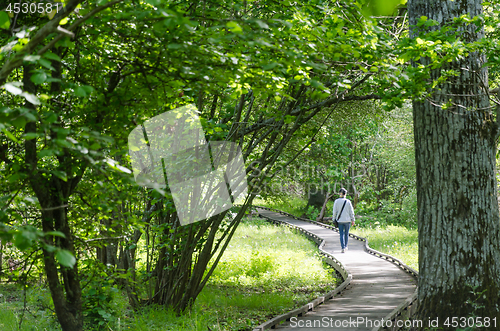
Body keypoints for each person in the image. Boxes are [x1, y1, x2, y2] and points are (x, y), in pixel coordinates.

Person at [332, 188, 355, 253]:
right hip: (347, 220)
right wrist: (353, 219)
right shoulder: (348, 201)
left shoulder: (336, 201)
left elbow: (334, 212)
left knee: (341, 234)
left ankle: (342, 247)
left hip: (340, 221)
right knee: (346, 234)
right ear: (345, 194)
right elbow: (351, 211)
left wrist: (334, 219)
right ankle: (345, 246)